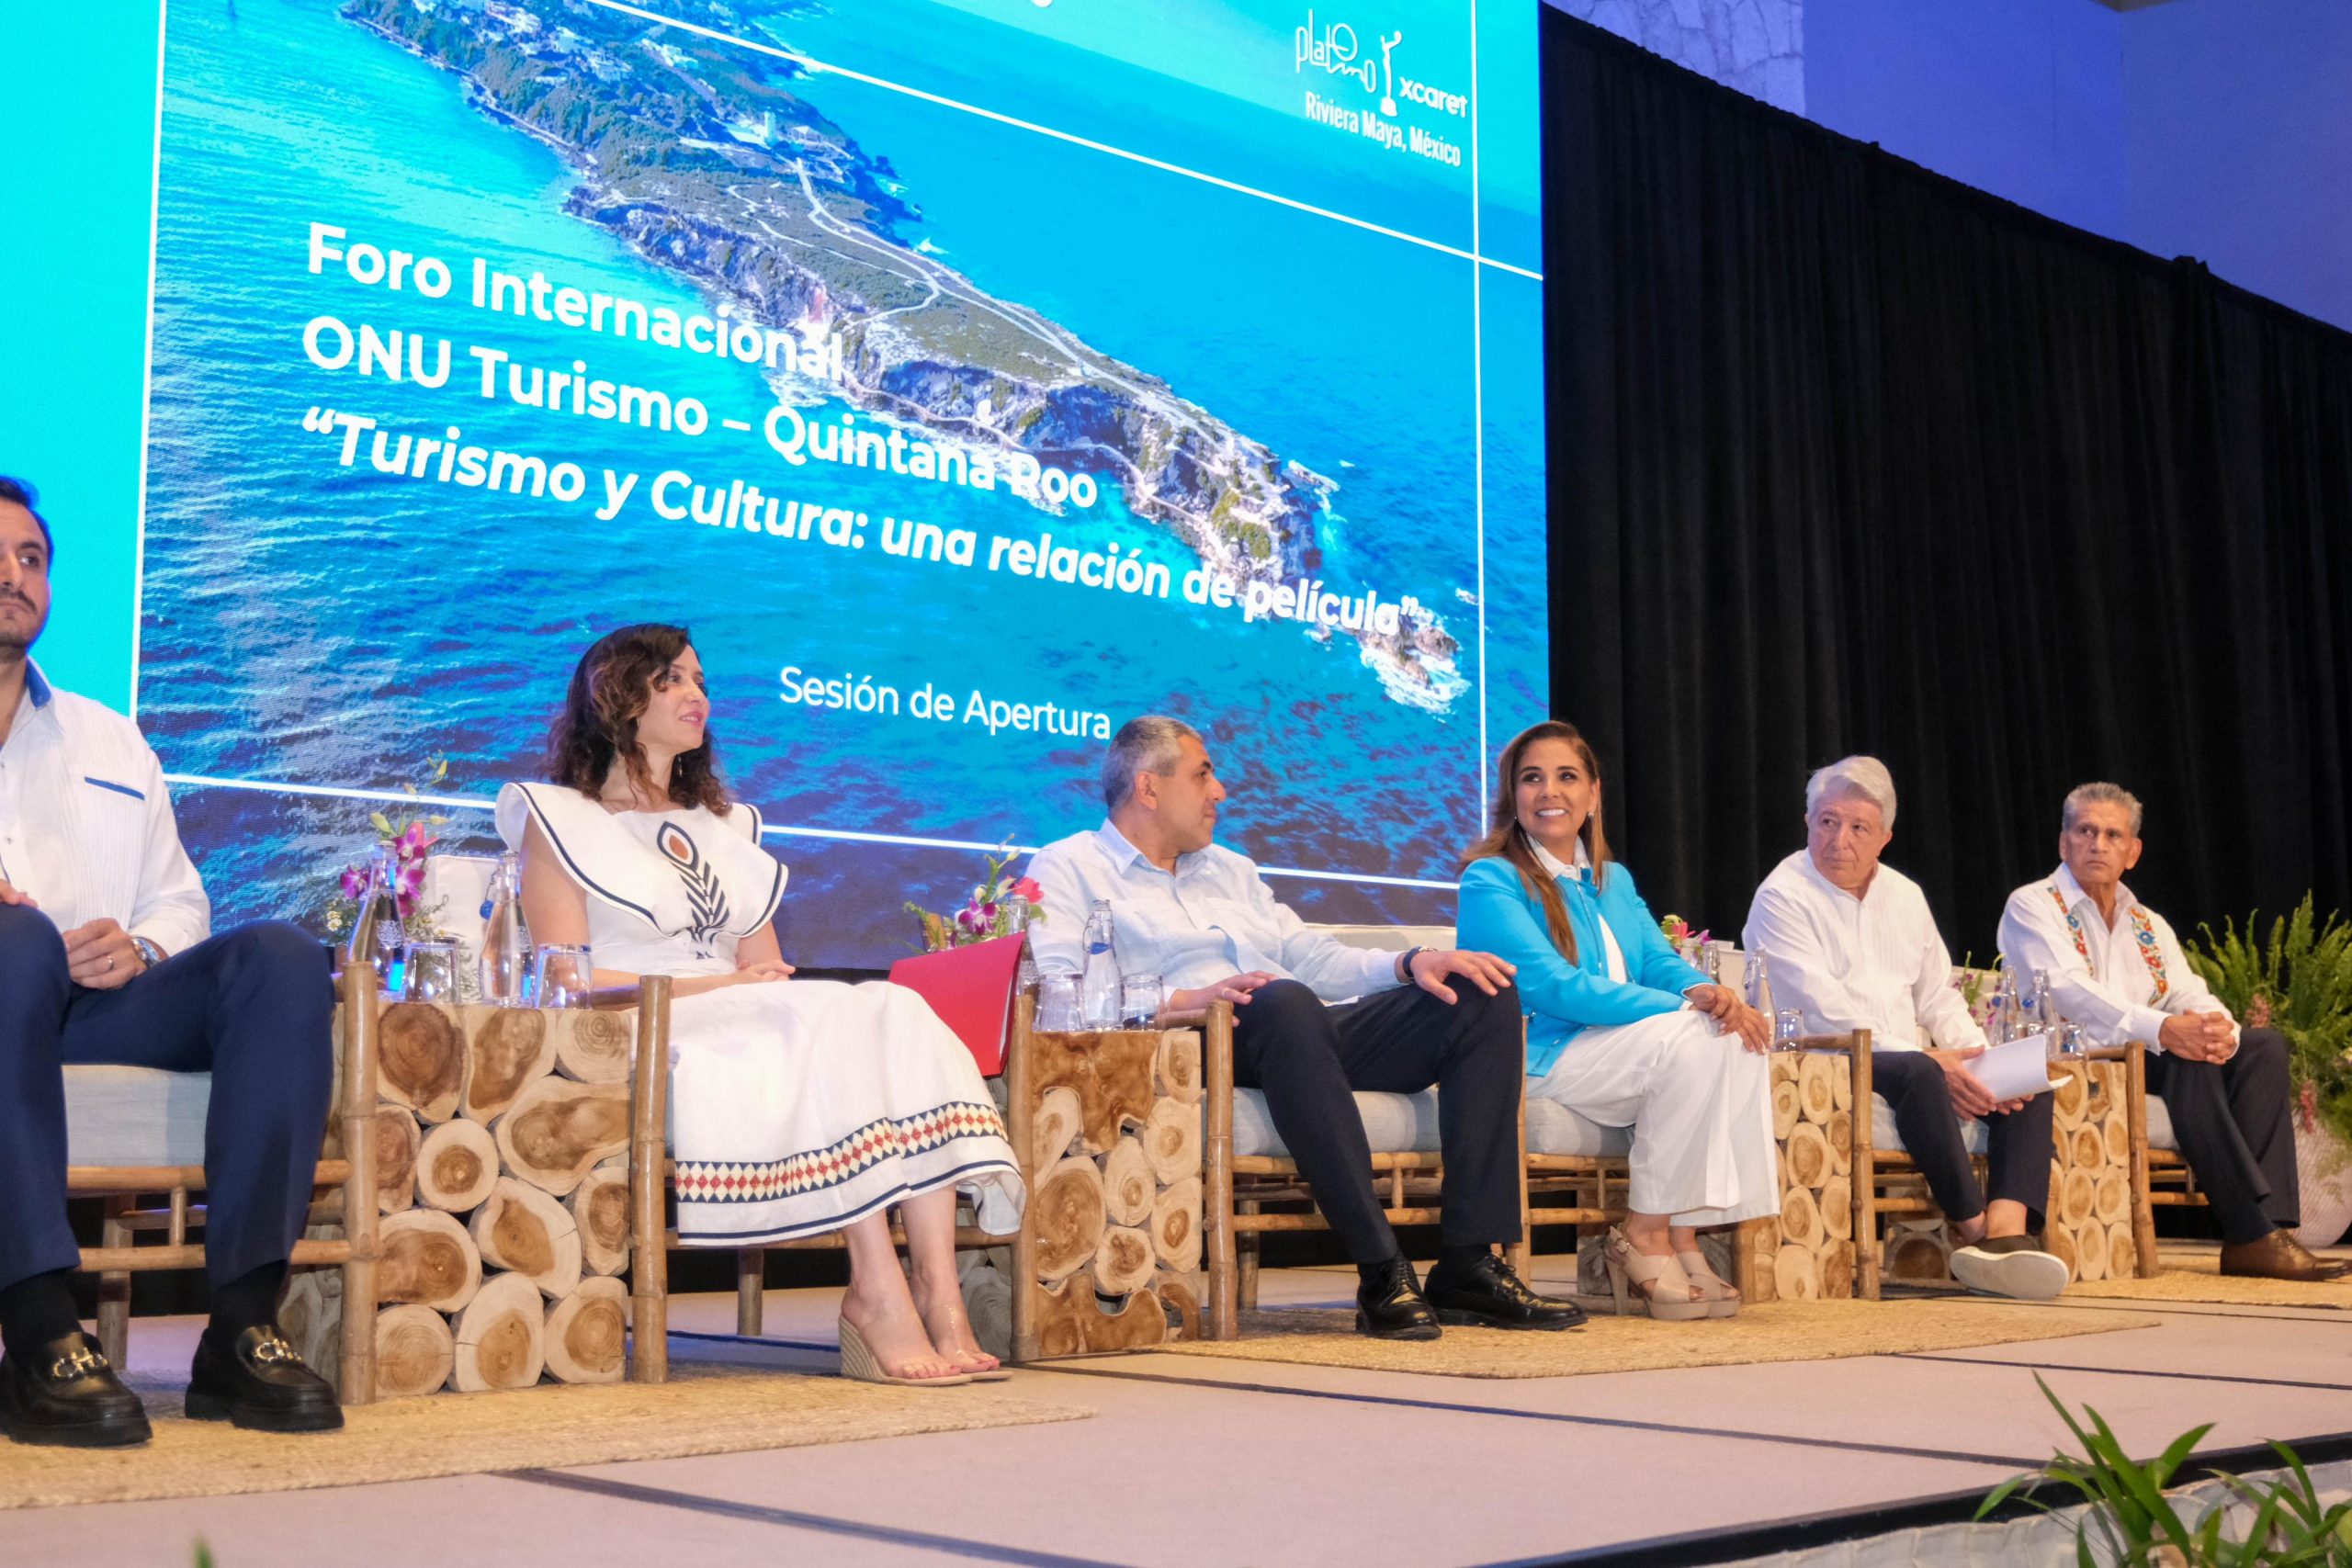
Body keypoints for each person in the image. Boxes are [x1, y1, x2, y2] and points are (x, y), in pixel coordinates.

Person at [503, 625, 1023, 1384]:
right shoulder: (556, 818)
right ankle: (876, 1290)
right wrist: (720, 987)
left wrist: (744, 985)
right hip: (647, 1021)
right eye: (673, 679)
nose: (697, 695)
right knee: (817, 1023)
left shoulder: (726, 825)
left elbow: (764, 965)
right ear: (616, 695)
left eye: (700, 681)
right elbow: (567, 979)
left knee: (894, 1007)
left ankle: (937, 1292)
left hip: (745, 1008)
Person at [1024, 716, 1583, 1339]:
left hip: (1295, 1029)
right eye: (1203, 774)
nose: (1220, 791)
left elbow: (1313, 958)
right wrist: (1189, 998)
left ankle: (1468, 1264)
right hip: (1189, 1041)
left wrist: (1411, 962)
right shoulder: (1070, 866)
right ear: (1148, 787)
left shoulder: (1230, 869)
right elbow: (1058, 991)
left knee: (1479, 992)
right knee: (1283, 1000)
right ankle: (1381, 1266)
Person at [0, 475, 339, 1446]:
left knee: (280, 957)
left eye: (30, 558)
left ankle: (240, 1328)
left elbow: (181, 900)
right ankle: (38, 1330)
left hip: (99, 1009)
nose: (13, 575)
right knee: (17, 939)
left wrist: (143, 945)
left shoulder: (111, 739)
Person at [1457, 722, 1776, 1319]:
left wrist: (1706, 990)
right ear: (1512, 794)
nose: (1549, 791)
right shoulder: (1490, 878)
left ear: (1593, 793)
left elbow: (1655, 959)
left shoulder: (1612, 879)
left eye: (1566, 776)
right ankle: (1644, 1233)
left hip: (1613, 1054)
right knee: (1695, 1032)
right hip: (1539, 1056)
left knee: (1734, 1036)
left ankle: (1681, 1231)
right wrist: (1684, 1007)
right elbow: (1550, 985)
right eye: (1532, 778)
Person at [1744, 756, 2068, 1301]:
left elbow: (1938, 995)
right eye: (1827, 821)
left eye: (1858, 828)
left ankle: (2007, 1235)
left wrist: (1976, 1058)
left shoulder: (1905, 895)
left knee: (2025, 1079)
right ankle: (1974, 1232)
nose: (1839, 840)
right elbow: (1825, 1010)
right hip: (1828, 1058)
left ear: (1885, 837)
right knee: (1920, 1071)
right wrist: (1937, 1062)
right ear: (1807, 821)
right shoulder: (1782, 895)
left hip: (1910, 1061)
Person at [1998, 784, 2347, 1281]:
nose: (2097, 844)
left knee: (2261, 1046)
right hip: (2078, 1061)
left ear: (2133, 852)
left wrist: (2218, 1030)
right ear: (2063, 842)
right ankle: (2250, 1232)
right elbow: (2070, 990)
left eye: (2112, 835)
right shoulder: (2033, 905)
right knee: (2186, 1053)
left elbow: (2187, 990)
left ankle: (2267, 1230)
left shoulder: (2148, 923)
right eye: (2085, 831)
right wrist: (2166, 1028)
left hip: (2147, 1057)